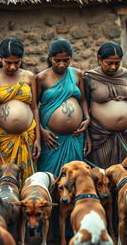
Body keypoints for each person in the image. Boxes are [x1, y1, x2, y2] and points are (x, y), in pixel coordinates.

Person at [0, 37, 41, 182]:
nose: (12, 67)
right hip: (3, 138)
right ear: (0, 59)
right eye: (8, 63)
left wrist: (38, 139)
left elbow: (35, 107)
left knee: (27, 178)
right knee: (3, 177)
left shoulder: (29, 76)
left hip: (27, 136)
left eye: (16, 62)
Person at [36, 38, 91, 176]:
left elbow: (83, 100)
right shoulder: (41, 78)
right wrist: (41, 131)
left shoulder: (77, 74)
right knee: (52, 176)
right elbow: (34, 107)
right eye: (57, 60)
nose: (62, 64)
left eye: (66, 60)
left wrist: (87, 118)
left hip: (75, 136)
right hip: (52, 138)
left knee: (75, 175)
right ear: (50, 58)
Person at [84, 41, 127, 169]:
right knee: (102, 173)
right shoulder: (90, 77)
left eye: (117, 63)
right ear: (99, 59)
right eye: (109, 63)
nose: (114, 67)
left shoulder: (125, 75)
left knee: (123, 170)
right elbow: (84, 106)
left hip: (124, 133)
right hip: (100, 135)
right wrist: (86, 136)